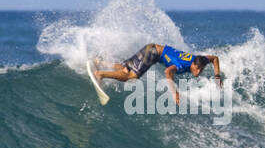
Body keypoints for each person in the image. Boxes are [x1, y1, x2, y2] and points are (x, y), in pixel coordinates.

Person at [93, 43, 223, 104]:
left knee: (125, 68)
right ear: (193, 64)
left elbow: (214, 58)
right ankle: (101, 74)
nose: (198, 72)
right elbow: (168, 72)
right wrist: (175, 92)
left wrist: (217, 76)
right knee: (132, 77)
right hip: (153, 53)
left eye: (201, 69)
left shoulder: (201, 59)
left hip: (151, 47)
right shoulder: (182, 65)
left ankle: (100, 62)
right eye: (197, 69)